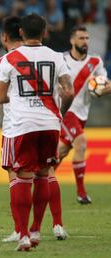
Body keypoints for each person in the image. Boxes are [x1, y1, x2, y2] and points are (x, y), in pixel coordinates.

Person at [0, 13, 74, 251]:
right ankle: (38, 229)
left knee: (22, 177)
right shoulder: (56, 56)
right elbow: (68, 91)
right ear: (45, 32)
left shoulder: (9, 59)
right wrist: (59, 111)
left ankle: (24, 236)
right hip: (50, 123)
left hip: (22, 125)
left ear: (21, 33)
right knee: (43, 174)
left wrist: (18, 96)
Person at [56, 25, 111, 204]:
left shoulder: (95, 62)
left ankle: (40, 180)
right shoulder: (61, 60)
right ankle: (81, 193)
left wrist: (102, 89)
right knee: (81, 142)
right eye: (81, 38)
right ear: (72, 41)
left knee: (61, 151)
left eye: (87, 38)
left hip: (82, 114)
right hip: (66, 111)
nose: (85, 41)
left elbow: (105, 83)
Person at [0, 15, 23, 243]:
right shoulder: (48, 57)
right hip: (45, 124)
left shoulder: (3, 62)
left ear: (4, 36)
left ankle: (21, 230)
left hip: (15, 128)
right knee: (44, 176)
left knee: (15, 178)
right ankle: (51, 226)